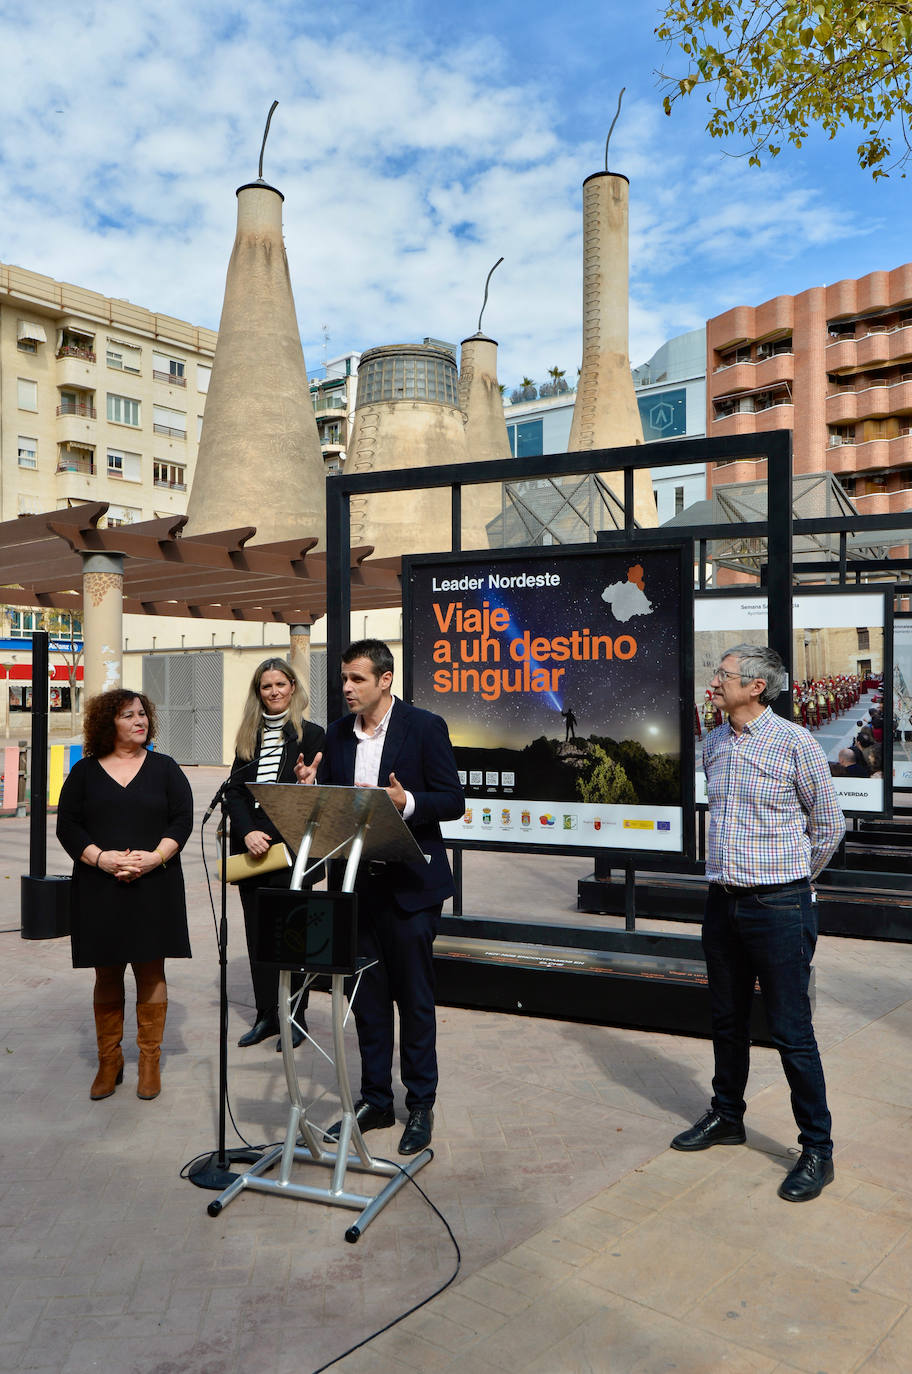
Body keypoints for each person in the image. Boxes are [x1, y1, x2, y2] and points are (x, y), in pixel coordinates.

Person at [671, 645, 845, 1202]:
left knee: (791, 1032)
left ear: (755, 688)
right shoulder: (716, 741)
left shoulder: (794, 742)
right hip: (721, 904)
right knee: (727, 1020)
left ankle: (818, 1148)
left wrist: (797, 882)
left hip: (779, 908)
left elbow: (829, 825)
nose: (714, 683)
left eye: (723, 676)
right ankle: (728, 1116)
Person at [295, 639, 464, 1155]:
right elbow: (334, 802)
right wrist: (310, 786)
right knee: (367, 1001)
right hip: (357, 885)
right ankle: (375, 1099)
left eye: (357, 679)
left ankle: (420, 1105)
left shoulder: (425, 727)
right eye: (344, 679)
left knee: (413, 1000)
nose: (346, 688)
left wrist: (406, 800)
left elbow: (453, 801)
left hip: (411, 887)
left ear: (385, 680)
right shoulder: (339, 737)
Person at [56, 690, 193, 1101]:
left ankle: (149, 1059)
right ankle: (109, 1060)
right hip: (100, 887)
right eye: (128, 715)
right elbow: (68, 827)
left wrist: (155, 858)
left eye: (143, 714)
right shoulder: (84, 772)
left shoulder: (166, 769)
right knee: (107, 974)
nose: (140, 721)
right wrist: (101, 859)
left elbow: (182, 820)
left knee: (152, 972)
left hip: (155, 884)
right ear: (107, 724)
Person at [224, 657, 325, 1049]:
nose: (274, 692)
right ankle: (268, 1014)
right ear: (258, 693)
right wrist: (247, 832)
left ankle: (295, 1017)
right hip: (252, 852)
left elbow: (320, 793)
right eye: (266, 687)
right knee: (258, 936)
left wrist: (306, 784)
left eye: (280, 684)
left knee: (294, 936)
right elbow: (234, 791)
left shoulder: (312, 735)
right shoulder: (247, 737)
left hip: (291, 852)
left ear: (293, 688)